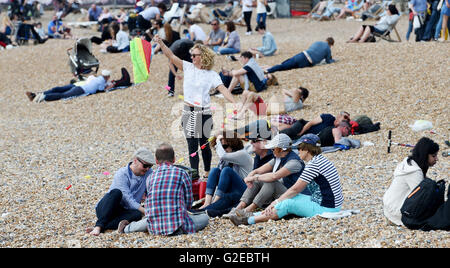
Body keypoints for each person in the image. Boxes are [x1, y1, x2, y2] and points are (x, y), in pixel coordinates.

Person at [153, 35, 236, 178]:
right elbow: (171, 56)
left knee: (204, 144)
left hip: (204, 112)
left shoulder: (212, 75)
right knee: (191, 145)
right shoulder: (188, 67)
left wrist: (234, 103)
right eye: (191, 55)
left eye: (194, 55)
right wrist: (160, 43)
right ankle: (194, 175)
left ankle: (208, 171)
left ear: (202, 56)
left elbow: (223, 89)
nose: (191, 57)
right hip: (189, 111)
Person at [230, 133, 343, 226]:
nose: (297, 150)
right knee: (290, 198)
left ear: (307, 149)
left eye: (299, 148)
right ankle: (255, 214)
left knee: (287, 203)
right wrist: (254, 174)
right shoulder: (320, 160)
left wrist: (276, 202)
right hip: (327, 203)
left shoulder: (313, 165)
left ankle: (248, 221)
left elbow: (295, 189)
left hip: (327, 208)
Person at [118, 143, 210, 235]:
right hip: (178, 223)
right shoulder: (182, 173)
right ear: (174, 159)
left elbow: (149, 202)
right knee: (205, 218)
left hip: (155, 227)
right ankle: (178, 229)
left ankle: (128, 229)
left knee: (148, 220)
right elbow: (189, 202)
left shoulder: (150, 177)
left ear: (156, 161)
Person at [230, 133, 307, 216]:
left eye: (273, 149)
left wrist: (254, 178)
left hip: (297, 195)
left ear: (282, 149)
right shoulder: (278, 157)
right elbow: (259, 170)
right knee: (258, 180)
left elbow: (275, 176)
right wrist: (252, 175)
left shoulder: (294, 162)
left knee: (270, 182)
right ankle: (240, 207)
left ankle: (250, 209)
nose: (271, 150)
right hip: (286, 191)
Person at [86, 147, 155, 236]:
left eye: (150, 166)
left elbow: (151, 190)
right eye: (145, 166)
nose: (147, 169)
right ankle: (98, 226)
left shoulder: (149, 173)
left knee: (137, 214)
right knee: (116, 193)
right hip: (107, 208)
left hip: (125, 211)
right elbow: (129, 200)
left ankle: (104, 227)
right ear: (135, 161)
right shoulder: (122, 174)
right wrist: (148, 212)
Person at [383, 137, 440, 226]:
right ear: (425, 155)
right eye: (433, 156)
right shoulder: (414, 172)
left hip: (389, 205)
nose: (436, 159)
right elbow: (422, 198)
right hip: (396, 210)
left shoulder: (409, 163)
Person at [199, 131, 253, 209]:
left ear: (233, 144)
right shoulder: (225, 159)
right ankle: (207, 203)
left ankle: (215, 203)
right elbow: (221, 179)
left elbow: (223, 155)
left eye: (224, 146)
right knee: (214, 170)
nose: (223, 149)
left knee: (227, 170)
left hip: (245, 191)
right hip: (232, 189)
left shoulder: (242, 154)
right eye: (221, 147)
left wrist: (218, 141)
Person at [25, 70, 114, 103]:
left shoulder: (96, 78)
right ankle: (43, 97)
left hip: (77, 86)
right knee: (63, 95)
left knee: (58, 90)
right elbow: (101, 90)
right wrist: (108, 87)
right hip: (80, 89)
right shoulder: (100, 81)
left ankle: (37, 94)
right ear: (108, 77)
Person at [265, 37, 335, 74]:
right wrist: (334, 60)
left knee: (284, 64)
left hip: (302, 54)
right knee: (286, 68)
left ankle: (268, 69)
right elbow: (328, 61)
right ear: (331, 44)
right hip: (307, 62)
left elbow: (311, 49)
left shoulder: (318, 42)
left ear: (326, 40)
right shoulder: (328, 49)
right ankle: (268, 70)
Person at [233, 86, 309, 120]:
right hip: (264, 106)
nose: (293, 91)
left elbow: (295, 91)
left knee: (251, 94)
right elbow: (284, 90)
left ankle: (241, 114)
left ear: (301, 96)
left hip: (265, 110)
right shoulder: (292, 99)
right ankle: (239, 111)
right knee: (246, 92)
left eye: (298, 92)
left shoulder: (298, 103)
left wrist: (297, 93)